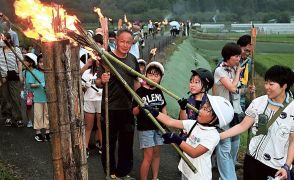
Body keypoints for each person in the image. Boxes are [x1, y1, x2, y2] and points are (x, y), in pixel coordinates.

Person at [220, 65, 294, 180]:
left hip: (276, 167)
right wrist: (219, 136)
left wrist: (286, 166)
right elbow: (242, 126)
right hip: (252, 159)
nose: (266, 87)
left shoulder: (292, 109)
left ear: (284, 86)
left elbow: (292, 141)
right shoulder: (259, 102)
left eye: (271, 84)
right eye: (266, 83)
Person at [143, 94, 234, 180]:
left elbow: (194, 153)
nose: (200, 110)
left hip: (199, 176)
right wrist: (154, 112)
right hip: (186, 170)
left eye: (206, 109)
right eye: (202, 107)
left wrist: (177, 139)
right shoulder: (194, 124)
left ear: (215, 118)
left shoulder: (213, 135)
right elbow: (170, 121)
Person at [96, 28, 140, 180]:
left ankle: (123, 172)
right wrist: (103, 80)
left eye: (129, 42)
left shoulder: (132, 59)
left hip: (127, 107)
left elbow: (135, 81)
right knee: (109, 143)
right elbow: (97, 81)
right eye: (122, 41)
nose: (125, 45)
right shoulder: (106, 58)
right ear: (116, 41)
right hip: (110, 108)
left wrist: (140, 99)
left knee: (127, 143)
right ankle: (110, 172)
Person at [213, 42, 245, 180]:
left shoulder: (231, 69)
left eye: (239, 56)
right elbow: (232, 88)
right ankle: (228, 177)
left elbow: (237, 88)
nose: (239, 59)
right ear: (228, 57)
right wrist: (238, 72)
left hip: (234, 112)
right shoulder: (220, 71)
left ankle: (226, 175)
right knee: (224, 148)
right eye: (236, 56)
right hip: (222, 113)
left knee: (234, 147)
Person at [132, 62, 167, 180]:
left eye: (156, 75)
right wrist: (140, 107)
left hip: (158, 127)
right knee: (148, 156)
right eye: (150, 74)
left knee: (157, 154)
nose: (153, 77)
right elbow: (134, 112)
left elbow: (163, 108)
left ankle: (155, 178)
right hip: (145, 128)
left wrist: (165, 125)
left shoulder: (159, 91)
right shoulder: (140, 92)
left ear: (160, 78)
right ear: (145, 75)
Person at [24, 52, 50, 141]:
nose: (42, 64)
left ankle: (47, 132)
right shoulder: (34, 72)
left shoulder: (49, 72)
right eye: (40, 62)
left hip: (48, 98)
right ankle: (38, 133)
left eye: (44, 62)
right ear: (37, 63)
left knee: (47, 115)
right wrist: (40, 84)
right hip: (38, 98)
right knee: (38, 115)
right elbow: (30, 85)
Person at [0, 33, 23, 127]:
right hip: (3, 77)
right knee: (5, 98)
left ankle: (18, 118)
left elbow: (20, 62)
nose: (1, 41)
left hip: (14, 76)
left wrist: (20, 74)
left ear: (8, 40)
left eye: (3, 39)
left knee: (15, 98)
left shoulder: (15, 49)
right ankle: (8, 117)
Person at [82, 58, 103, 156]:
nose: (99, 62)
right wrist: (85, 86)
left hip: (101, 101)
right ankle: (85, 147)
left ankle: (101, 145)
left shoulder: (106, 72)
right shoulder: (87, 72)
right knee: (88, 126)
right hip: (89, 100)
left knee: (100, 125)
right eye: (98, 60)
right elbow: (81, 85)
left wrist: (102, 91)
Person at [237, 35, 253, 111]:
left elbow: (248, 81)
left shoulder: (249, 62)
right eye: (246, 50)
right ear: (238, 47)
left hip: (241, 102)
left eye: (250, 52)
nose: (247, 53)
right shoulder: (229, 62)